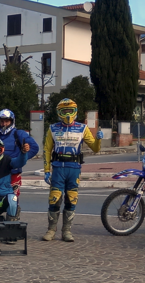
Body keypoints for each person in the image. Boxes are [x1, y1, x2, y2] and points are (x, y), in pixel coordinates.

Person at [42, 98, 103, 242]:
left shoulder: (82, 128)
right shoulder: (53, 128)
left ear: (75, 111)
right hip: (58, 168)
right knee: (54, 199)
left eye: (70, 111)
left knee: (72, 199)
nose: (68, 114)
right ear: (59, 112)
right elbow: (47, 150)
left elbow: (95, 148)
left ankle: (67, 231)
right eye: (65, 111)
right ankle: (51, 230)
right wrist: (46, 170)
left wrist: (98, 139)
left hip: (74, 168)